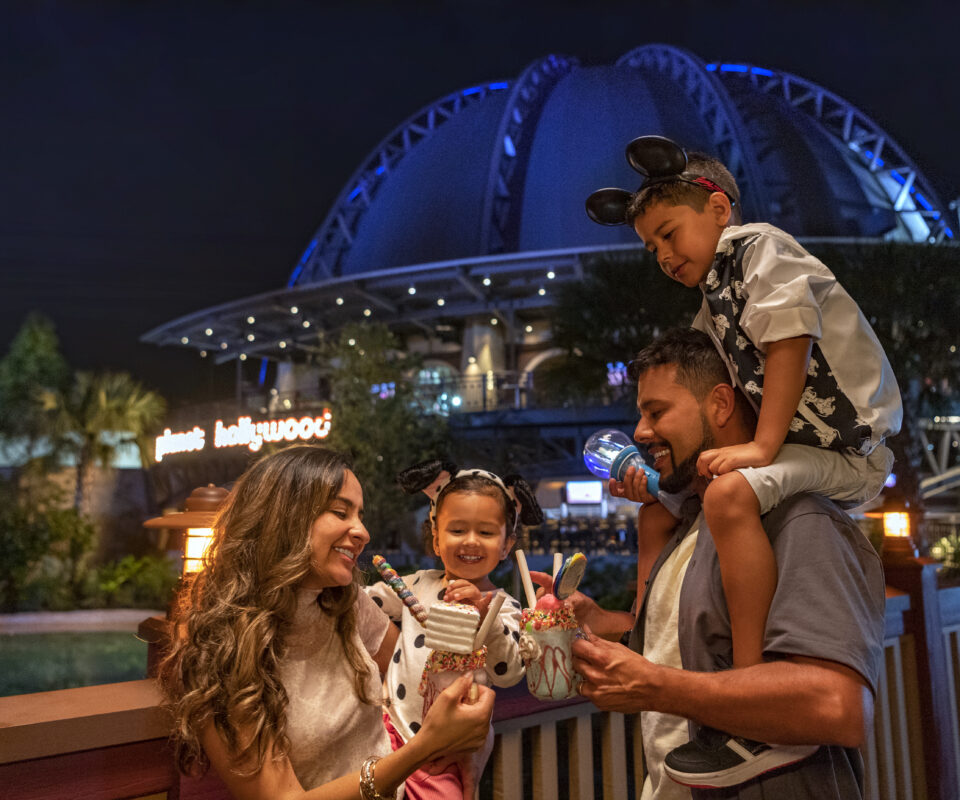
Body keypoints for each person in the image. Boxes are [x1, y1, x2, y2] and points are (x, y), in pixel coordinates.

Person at [585, 135, 900, 786]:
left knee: (731, 495)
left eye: (670, 235)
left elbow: (788, 340)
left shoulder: (762, 252)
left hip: (847, 447)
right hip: (802, 451)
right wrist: (595, 628)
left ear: (720, 209)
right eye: (652, 247)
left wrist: (759, 448)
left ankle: (748, 705)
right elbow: (674, 645)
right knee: (723, 496)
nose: (664, 257)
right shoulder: (714, 304)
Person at [566, 328, 886, 798]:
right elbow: (671, 655)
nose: (639, 432)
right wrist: (598, 622)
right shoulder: (689, 524)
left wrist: (658, 689)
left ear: (720, 404)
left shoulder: (796, 519)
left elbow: (838, 706)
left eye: (656, 412)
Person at [158, 445, 494, 800]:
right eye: (340, 511)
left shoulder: (346, 603)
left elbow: (418, 681)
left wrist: (466, 742)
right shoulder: (220, 644)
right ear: (285, 517)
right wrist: (422, 749)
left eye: (360, 516)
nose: (362, 531)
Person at [366, 460, 542, 800]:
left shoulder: (504, 606)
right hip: (389, 728)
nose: (471, 542)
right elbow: (364, 605)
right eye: (457, 530)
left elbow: (508, 672)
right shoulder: (416, 585)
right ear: (436, 537)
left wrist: (484, 616)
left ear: (507, 545)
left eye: (487, 532)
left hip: (450, 749)